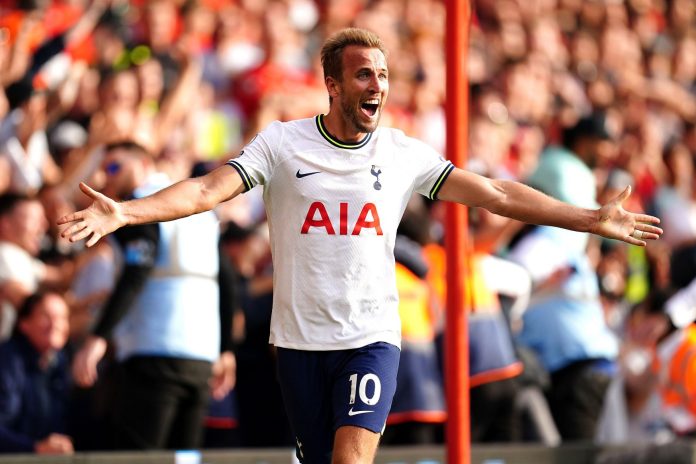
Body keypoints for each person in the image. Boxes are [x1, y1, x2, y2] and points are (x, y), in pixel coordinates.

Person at [59, 28, 662, 464]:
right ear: (332, 85)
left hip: (371, 339)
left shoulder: (400, 153)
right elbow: (206, 190)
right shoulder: (282, 145)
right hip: (297, 344)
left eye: (383, 74)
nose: (378, 86)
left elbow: (495, 194)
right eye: (363, 74)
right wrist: (126, 211)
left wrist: (587, 218)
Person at [70, 141, 236, 450]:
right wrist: (224, 348)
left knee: (141, 456)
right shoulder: (198, 211)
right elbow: (225, 280)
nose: (108, 176)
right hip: (200, 356)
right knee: (186, 457)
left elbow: (136, 273)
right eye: (105, 170)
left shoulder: (138, 205)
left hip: (153, 350)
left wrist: (98, 336)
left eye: (116, 166)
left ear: (145, 165)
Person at [0, 291, 73, 454]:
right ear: (24, 323)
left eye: (62, 318)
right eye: (47, 316)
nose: (56, 324)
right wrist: (34, 448)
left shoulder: (60, 363)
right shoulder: (7, 361)